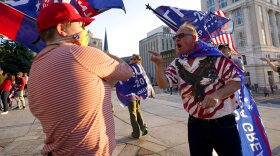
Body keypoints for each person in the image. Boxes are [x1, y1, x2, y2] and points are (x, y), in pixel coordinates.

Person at [28, 3, 133, 156]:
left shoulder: (36, 64)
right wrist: (96, 50)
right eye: (81, 25)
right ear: (61, 29)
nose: (84, 30)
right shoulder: (80, 53)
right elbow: (127, 71)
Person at [149, 23, 242, 156]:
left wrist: (217, 95)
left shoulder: (214, 57)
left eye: (181, 36)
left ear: (193, 38)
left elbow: (235, 82)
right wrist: (158, 65)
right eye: (175, 37)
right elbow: (164, 84)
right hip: (195, 123)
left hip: (223, 122)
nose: (177, 39)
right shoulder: (177, 63)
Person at [127, 54, 149, 138]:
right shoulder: (140, 69)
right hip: (138, 93)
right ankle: (143, 128)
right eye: (131, 58)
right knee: (138, 110)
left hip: (131, 93)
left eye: (132, 59)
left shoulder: (130, 68)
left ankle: (136, 133)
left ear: (136, 60)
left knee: (132, 112)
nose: (130, 60)